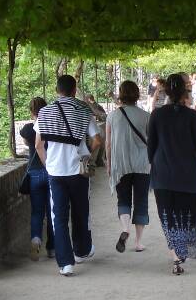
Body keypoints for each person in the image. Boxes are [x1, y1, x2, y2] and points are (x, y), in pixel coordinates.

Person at [147, 75, 196, 275]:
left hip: (163, 175)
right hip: (188, 176)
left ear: (166, 92)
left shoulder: (156, 115)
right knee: (187, 214)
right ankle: (181, 251)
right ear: (184, 92)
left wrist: (153, 168)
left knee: (168, 217)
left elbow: (151, 147)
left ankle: (176, 257)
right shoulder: (192, 116)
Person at [35, 75, 102, 277]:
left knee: (59, 217)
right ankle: (81, 251)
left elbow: (38, 145)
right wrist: (86, 155)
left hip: (55, 172)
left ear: (57, 90)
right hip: (78, 171)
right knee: (81, 212)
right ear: (74, 90)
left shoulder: (44, 113)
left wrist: (48, 164)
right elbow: (97, 140)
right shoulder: (83, 110)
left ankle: (65, 263)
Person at [105, 80, 151, 254]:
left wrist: (109, 164)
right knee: (141, 201)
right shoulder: (146, 116)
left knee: (123, 199)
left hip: (121, 164)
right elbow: (152, 141)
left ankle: (125, 229)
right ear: (137, 94)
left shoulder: (112, 116)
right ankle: (138, 243)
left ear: (121, 94)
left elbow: (108, 144)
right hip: (142, 165)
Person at [19, 98, 55, 261]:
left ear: (31, 111)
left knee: (37, 212)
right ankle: (52, 248)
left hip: (34, 174)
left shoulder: (28, 129)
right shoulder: (51, 126)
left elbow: (27, 142)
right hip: (51, 171)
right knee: (52, 211)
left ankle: (35, 239)